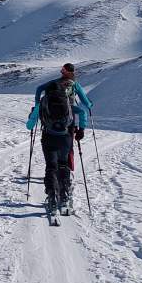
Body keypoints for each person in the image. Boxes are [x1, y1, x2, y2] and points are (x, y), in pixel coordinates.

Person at [26, 63, 93, 212]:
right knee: (64, 163)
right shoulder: (73, 86)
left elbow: (29, 126)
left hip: (48, 136)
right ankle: (64, 194)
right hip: (66, 132)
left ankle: (52, 196)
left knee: (51, 166)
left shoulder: (45, 100)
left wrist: (35, 110)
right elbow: (83, 109)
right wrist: (81, 129)